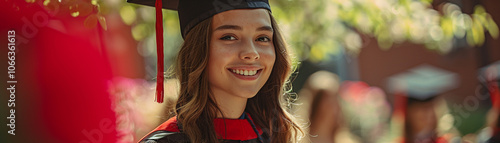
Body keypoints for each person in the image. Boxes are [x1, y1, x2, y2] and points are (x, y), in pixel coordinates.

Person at [127, 0, 303, 142]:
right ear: (197, 50)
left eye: (262, 38)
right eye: (229, 37)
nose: (251, 53)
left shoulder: (274, 137)